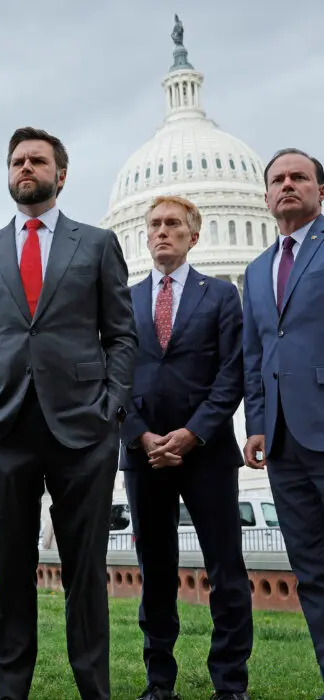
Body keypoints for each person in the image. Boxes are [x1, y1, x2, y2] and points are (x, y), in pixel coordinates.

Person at [0, 126, 137, 700]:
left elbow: (120, 333)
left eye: (38, 160)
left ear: (60, 175)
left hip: (83, 428)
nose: (26, 167)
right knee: (10, 568)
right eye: (17, 161)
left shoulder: (96, 243)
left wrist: (111, 404)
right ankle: (10, 688)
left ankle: (95, 688)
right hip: (1, 423)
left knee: (84, 571)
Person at [120, 195, 253, 700]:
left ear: (193, 236)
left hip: (209, 455)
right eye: (154, 224)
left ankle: (230, 683)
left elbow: (231, 373)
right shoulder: (124, 300)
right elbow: (111, 377)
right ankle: (159, 682)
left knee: (226, 571)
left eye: (173, 224)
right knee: (155, 572)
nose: (162, 232)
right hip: (143, 456)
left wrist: (192, 433)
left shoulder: (220, 295)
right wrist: (139, 434)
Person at [243, 148, 324, 699]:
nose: (287, 185)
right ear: (266, 196)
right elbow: (254, 355)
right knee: (313, 573)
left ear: (321, 190)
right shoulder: (255, 270)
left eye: (299, 177)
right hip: (284, 441)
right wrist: (255, 424)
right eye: (278, 179)